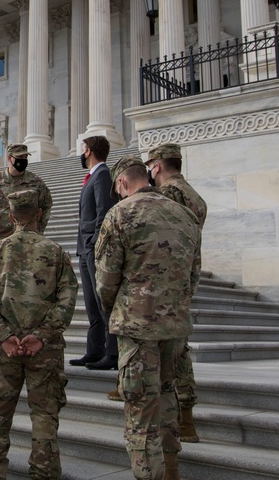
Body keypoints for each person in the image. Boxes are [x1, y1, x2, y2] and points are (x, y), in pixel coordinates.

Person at [95, 156, 201, 480]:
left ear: (123, 183)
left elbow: (105, 280)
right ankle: (171, 471)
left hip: (137, 325)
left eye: (118, 189)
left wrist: (117, 309)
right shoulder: (185, 215)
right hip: (175, 325)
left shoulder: (120, 214)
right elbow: (193, 276)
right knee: (168, 399)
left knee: (141, 411)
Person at [0, 190, 78, 480]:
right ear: (39, 214)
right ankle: (44, 473)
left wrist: (4, 336)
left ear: (10, 217)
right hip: (44, 351)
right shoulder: (55, 252)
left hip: (2, 350)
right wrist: (42, 335)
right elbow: (67, 300)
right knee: (44, 417)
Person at [0, 143, 53, 358]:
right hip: (0, 243)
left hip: (28, 244)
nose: (22, 161)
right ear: (9, 158)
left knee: (26, 291)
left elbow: (47, 204)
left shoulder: (35, 182)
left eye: (25, 157)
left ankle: (27, 338)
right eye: (18, 157)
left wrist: (38, 228)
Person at [146, 143, 207, 444]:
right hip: (183, 282)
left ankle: (177, 420)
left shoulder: (169, 195)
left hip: (162, 285)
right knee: (181, 352)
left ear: (156, 166)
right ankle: (187, 418)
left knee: (170, 358)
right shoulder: (196, 196)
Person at [72, 136, 120, 371]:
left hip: (92, 247)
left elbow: (105, 211)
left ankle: (112, 352)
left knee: (103, 301)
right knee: (91, 303)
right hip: (84, 248)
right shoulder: (93, 176)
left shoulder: (102, 175)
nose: (81, 154)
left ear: (89, 151)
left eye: (82, 149)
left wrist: (93, 242)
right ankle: (94, 350)